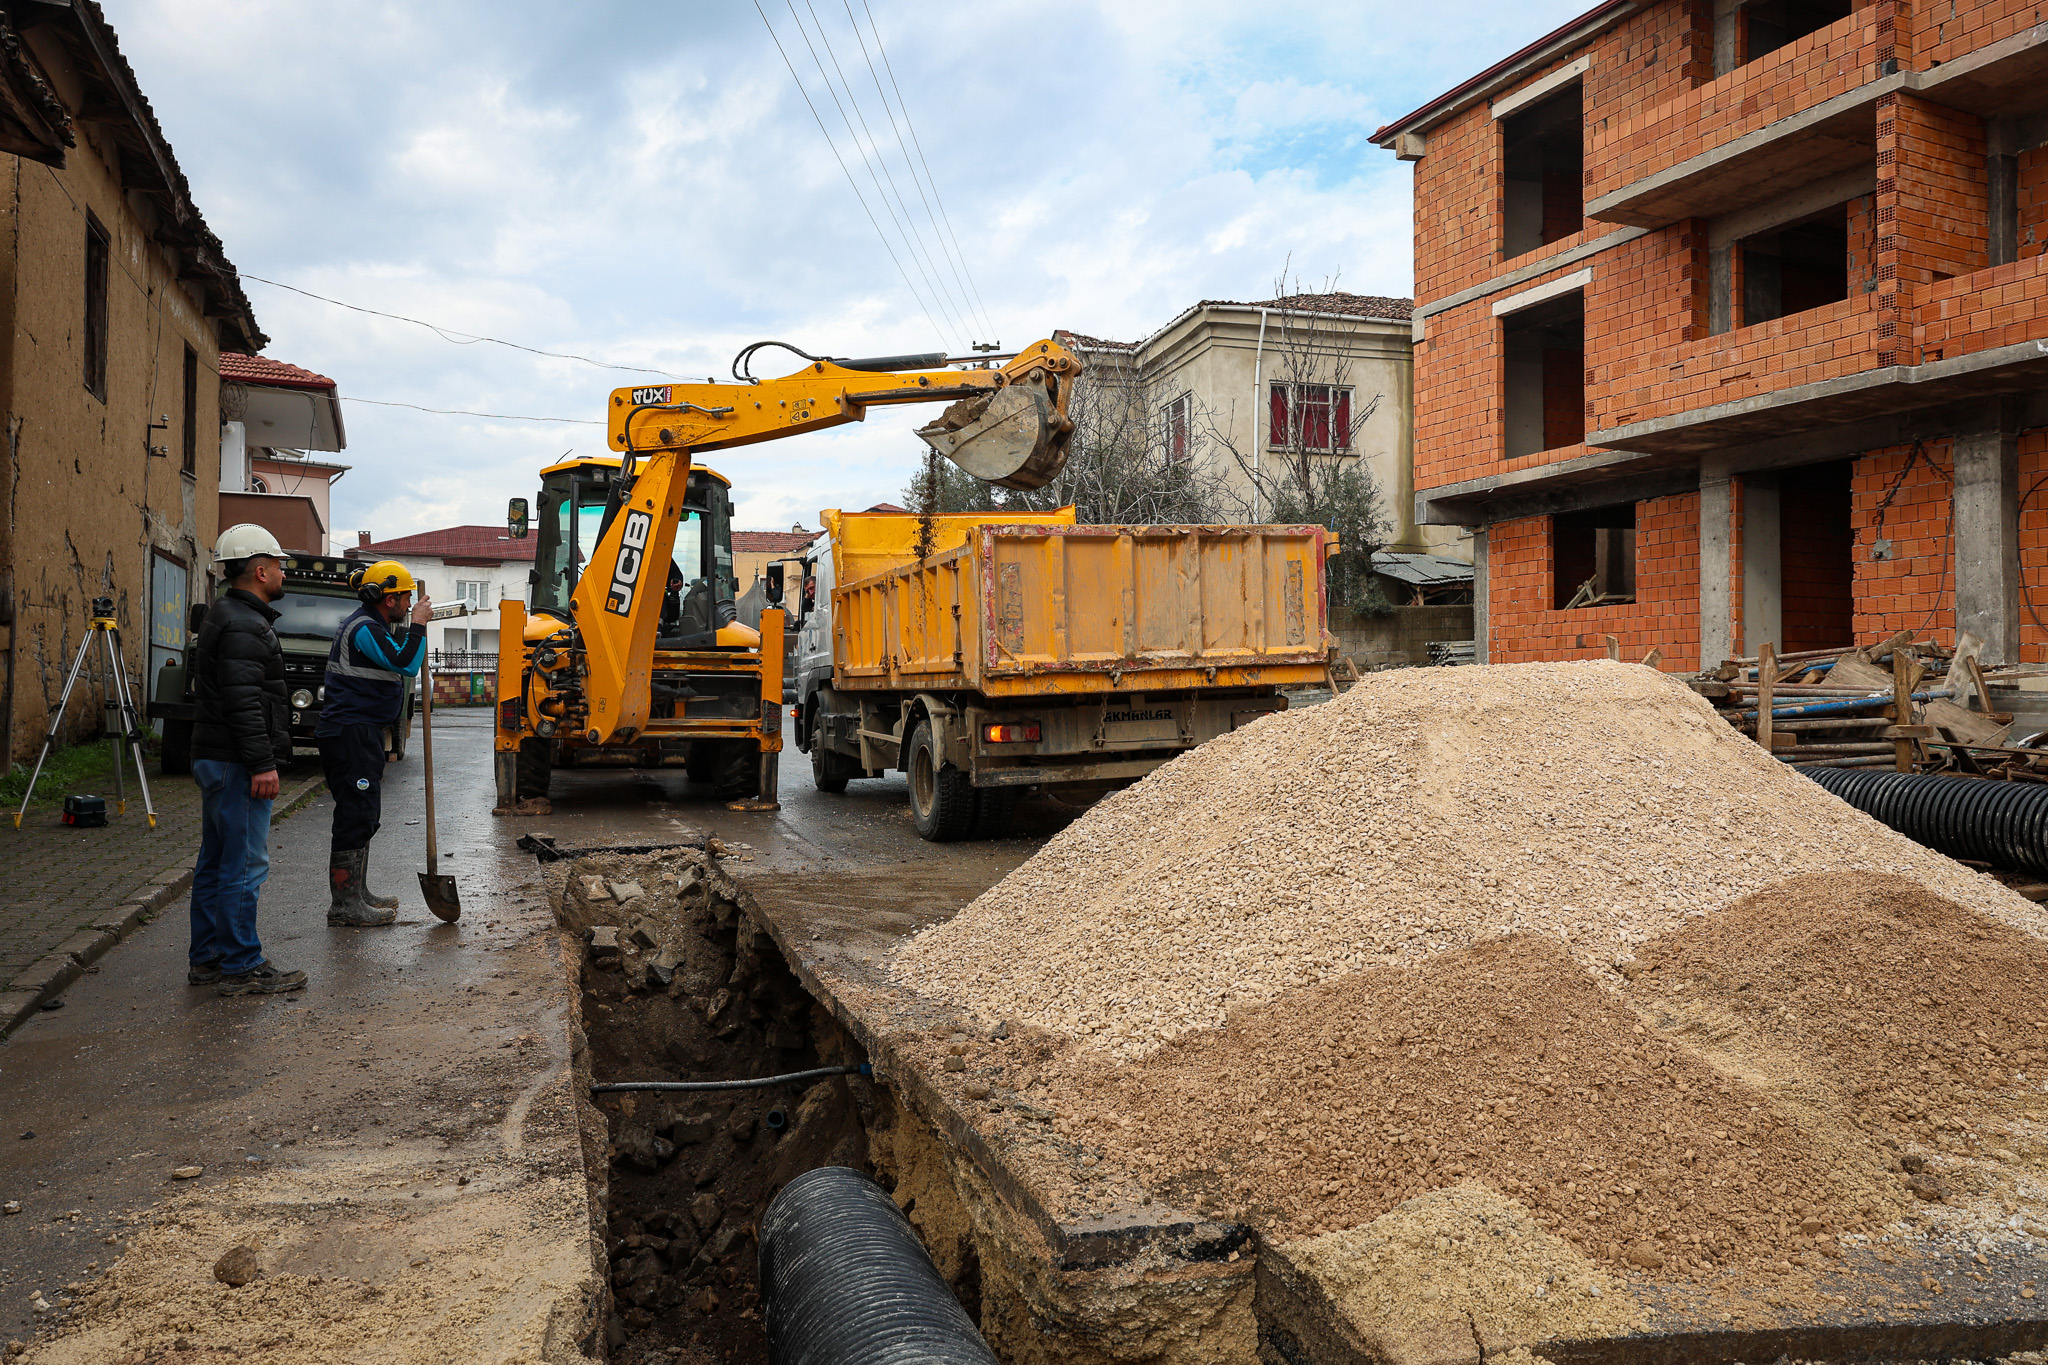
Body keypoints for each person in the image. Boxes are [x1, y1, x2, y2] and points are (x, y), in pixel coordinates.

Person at [187, 524, 305, 996]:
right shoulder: (244, 624)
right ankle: (240, 965)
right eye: (277, 565)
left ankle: (209, 959)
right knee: (243, 865)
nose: (281, 573)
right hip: (237, 762)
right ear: (260, 571)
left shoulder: (226, 613)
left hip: (217, 757)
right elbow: (243, 701)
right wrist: (262, 763)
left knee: (216, 863)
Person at [317, 560, 431, 926]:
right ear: (387, 598)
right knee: (356, 814)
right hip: (351, 732)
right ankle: (345, 906)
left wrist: (415, 626)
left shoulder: (372, 626)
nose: (409, 601)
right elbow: (407, 663)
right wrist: (419, 625)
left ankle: (357, 893)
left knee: (363, 812)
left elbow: (398, 655)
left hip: (359, 731)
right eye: (405, 597)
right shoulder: (363, 628)